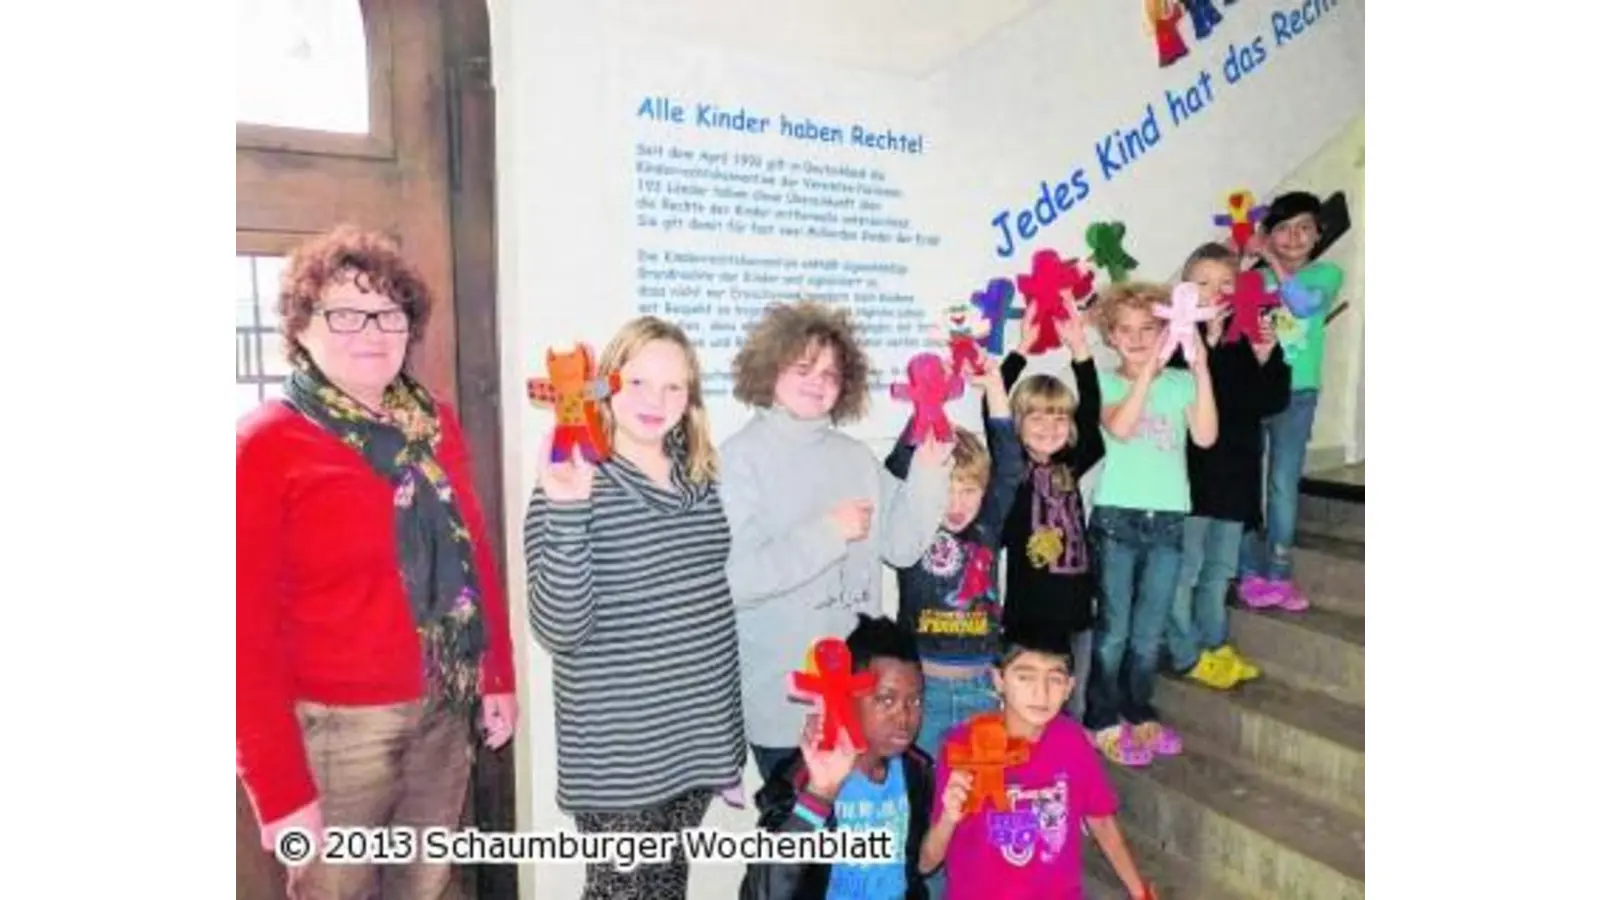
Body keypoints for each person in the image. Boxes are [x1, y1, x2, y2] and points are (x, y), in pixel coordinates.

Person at [237, 225, 517, 900]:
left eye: (389, 312)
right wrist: (278, 789)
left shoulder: (433, 424)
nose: (372, 330)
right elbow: (239, 632)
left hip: (444, 711)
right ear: (301, 328)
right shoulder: (264, 444)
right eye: (345, 312)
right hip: (337, 733)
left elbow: (472, 551)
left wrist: (495, 672)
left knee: (421, 888)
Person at [524, 316, 747, 900]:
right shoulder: (574, 477)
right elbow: (559, 628)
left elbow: (704, 606)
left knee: (669, 890)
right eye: (640, 382)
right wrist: (569, 513)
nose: (658, 401)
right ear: (606, 385)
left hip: (694, 746)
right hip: (619, 759)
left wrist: (724, 740)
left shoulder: (699, 476)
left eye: (675, 387)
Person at [721, 301, 953, 780]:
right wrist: (830, 532)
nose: (817, 381)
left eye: (830, 373)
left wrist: (930, 469)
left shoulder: (855, 458)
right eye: (803, 367)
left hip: (859, 698)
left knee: (849, 849)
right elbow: (737, 579)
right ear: (769, 368)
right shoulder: (739, 459)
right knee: (796, 844)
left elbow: (903, 546)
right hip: (785, 703)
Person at [1085, 282, 1217, 766]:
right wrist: (1148, 374)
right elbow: (1119, 428)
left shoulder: (1181, 383)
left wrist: (1199, 367)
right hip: (1117, 517)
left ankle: (1137, 708)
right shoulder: (1104, 381)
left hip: (1167, 520)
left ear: (1166, 330)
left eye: (1149, 329)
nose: (1138, 339)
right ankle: (1100, 717)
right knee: (1115, 627)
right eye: (1126, 330)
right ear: (1111, 336)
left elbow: (1205, 436)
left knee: (1148, 630)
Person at [920, 624, 1153, 899]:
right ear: (999, 679)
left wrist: (1140, 892)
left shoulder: (1072, 742)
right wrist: (949, 817)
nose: (1040, 693)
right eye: (1025, 677)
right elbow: (927, 862)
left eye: (1054, 679)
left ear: (1069, 687)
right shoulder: (964, 746)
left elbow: (1101, 821)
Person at [884, 351, 1023, 761]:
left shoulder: (989, 523)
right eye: (947, 489)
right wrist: (929, 405)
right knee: (925, 792)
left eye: (968, 491)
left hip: (982, 686)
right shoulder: (911, 523)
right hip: (923, 690)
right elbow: (897, 466)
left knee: (978, 796)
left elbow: (1010, 464)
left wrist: (996, 386)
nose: (957, 504)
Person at [739, 615, 936, 900]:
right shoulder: (803, 777)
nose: (904, 718)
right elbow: (764, 892)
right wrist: (820, 795)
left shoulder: (916, 770)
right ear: (847, 695)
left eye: (914, 700)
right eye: (886, 700)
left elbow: (913, 874)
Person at [1165, 243, 1290, 689]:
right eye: (1202, 283)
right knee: (1186, 572)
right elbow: (1188, 395)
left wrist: (1266, 357)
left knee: (1220, 571)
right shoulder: (1175, 339)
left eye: (1225, 284)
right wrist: (1210, 343)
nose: (1214, 292)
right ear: (1183, 290)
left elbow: (1270, 401)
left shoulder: (1245, 334)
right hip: (1191, 482)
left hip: (1236, 477)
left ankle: (1215, 646)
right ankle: (1185, 652)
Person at [1236, 191, 1347, 610]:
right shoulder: (1255, 277)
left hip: (1297, 394)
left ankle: (1279, 573)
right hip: (1249, 391)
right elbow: (1226, 306)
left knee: (1282, 483)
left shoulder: (1326, 274)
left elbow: (1301, 306)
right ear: (1269, 234)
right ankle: (1249, 570)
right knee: (1246, 482)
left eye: (1305, 227)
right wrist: (1248, 259)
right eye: (1283, 228)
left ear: (1319, 233)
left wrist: (1274, 264)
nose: (1295, 236)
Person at [997, 310, 1104, 722]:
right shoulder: (1011, 468)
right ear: (1017, 424)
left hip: (1077, 613)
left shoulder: (1072, 465)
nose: (1049, 426)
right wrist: (1022, 348)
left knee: (1070, 706)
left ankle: (1069, 774)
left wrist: (1080, 348)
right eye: (1036, 416)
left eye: (1059, 416)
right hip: (1029, 616)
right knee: (1026, 709)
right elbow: (993, 399)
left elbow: (1091, 408)